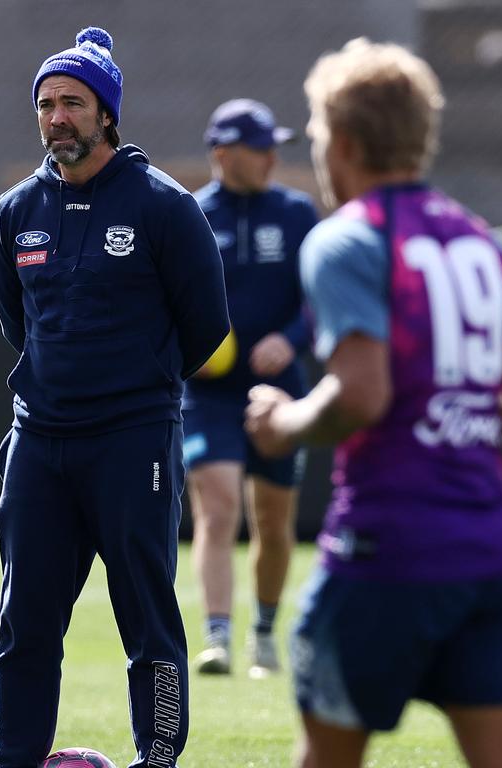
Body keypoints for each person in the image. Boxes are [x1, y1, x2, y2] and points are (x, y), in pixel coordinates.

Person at [245, 38, 502, 768]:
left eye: (322, 137)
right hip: (493, 554)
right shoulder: (484, 242)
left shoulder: (345, 242)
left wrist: (282, 426)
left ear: (347, 142)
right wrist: (451, 414)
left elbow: (362, 394)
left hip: (386, 550)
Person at [0, 26, 229, 768]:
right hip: (40, 441)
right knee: (24, 623)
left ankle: (158, 757)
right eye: (47, 104)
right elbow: (14, 321)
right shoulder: (17, 210)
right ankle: (15, 758)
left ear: (106, 114)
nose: (57, 117)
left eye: (73, 103)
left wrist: (135, 390)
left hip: (133, 443)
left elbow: (207, 328)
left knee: (147, 618)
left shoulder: (164, 206)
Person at [184, 99, 319, 678]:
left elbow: (319, 299)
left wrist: (290, 339)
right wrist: (190, 349)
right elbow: (166, 299)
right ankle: (217, 637)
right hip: (208, 395)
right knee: (217, 508)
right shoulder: (187, 215)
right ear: (222, 153)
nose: (271, 157)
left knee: (273, 518)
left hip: (280, 391)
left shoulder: (296, 213)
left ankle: (264, 631)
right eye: (260, 148)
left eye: (274, 147)